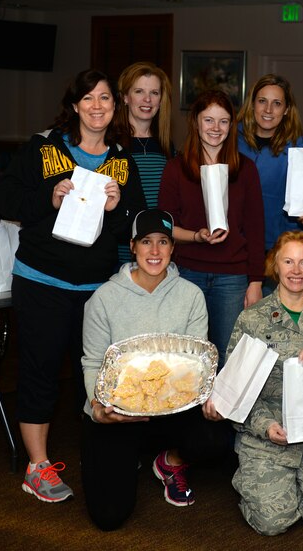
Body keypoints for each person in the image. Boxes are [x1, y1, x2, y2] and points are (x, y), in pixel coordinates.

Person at [0, 69, 145, 503]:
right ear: (75, 105)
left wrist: (117, 210)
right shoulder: (44, 148)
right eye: (89, 99)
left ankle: (97, 457)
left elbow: (133, 227)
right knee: (39, 373)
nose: (98, 106)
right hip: (41, 282)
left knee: (92, 380)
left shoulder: (121, 160)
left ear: (116, 108)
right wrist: (50, 197)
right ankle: (36, 467)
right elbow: (4, 200)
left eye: (106, 99)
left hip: (96, 289)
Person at [80, 209, 226, 529]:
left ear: (173, 247)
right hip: (121, 412)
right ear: (132, 247)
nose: (155, 251)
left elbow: (196, 363)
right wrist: (97, 407)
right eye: (146, 242)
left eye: (163, 242)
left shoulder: (191, 296)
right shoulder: (103, 299)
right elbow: (92, 361)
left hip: (174, 406)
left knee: (218, 437)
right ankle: (125, 455)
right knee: (108, 516)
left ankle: (171, 459)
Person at [208, 230, 303, 536]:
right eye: (288, 261)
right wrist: (264, 426)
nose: (296, 271)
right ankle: (264, 484)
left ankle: (302, 490)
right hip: (267, 438)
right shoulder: (252, 319)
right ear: (275, 265)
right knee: (272, 523)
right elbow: (235, 390)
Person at [158, 89, 265, 365]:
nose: (215, 128)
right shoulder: (176, 168)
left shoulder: (246, 170)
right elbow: (165, 225)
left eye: (223, 121)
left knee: (227, 358)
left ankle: (220, 410)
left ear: (232, 125)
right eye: (208, 120)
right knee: (185, 357)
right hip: (187, 273)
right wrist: (197, 236)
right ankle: (191, 411)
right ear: (195, 122)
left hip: (232, 278)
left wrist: (255, 282)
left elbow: (255, 230)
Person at [237, 74, 303, 256]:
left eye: (277, 103)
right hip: (236, 244)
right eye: (262, 101)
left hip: (279, 247)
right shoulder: (230, 139)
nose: (268, 110)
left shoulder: (299, 147)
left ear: (286, 109)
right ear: (252, 104)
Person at [114, 62, 174, 264]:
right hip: (118, 251)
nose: (147, 99)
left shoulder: (168, 148)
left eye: (154, 93)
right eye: (139, 91)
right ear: (125, 97)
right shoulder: (109, 145)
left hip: (157, 253)